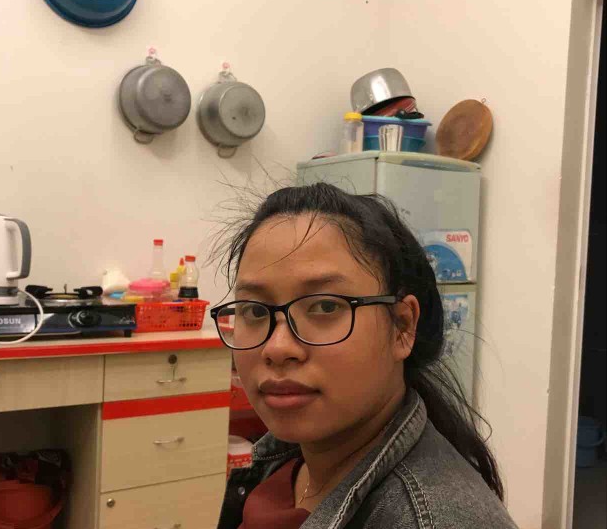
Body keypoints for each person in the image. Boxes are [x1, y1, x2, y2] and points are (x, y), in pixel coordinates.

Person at [211, 183, 518, 529]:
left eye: (325, 306)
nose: (277, 348)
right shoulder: (294, 458)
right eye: (254, 310)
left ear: (402, 326)